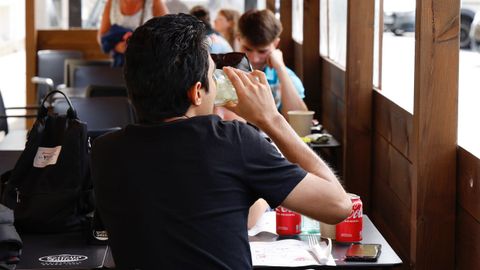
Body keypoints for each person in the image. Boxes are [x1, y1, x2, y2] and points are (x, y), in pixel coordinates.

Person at [92, 14, 351, 269]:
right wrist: (271, 120)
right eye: (213, 75)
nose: (216, 85)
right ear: (196, 92)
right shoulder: (234, 142)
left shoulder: (104, 152)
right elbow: (338, 206)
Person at [237, 9, 308, 117]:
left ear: (275, 44)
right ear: (238, 39)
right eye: (247, 49)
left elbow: (298, 120)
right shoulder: (225, 69)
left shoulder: (286, 76)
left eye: (262, 51)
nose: (254, 58)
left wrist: (280, 68)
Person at [98, 0, 169, 66]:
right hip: (120, 65)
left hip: (146, 64)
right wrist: (117, 47)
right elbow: (101, 35)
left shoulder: (154, 2)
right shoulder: (112, 2)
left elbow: (168, 33)